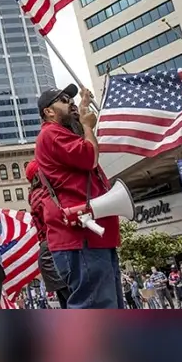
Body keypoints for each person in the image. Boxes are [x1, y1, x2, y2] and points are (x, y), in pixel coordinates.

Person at [34, 85, 122, 308]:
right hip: (81, 238)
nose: (70, 102)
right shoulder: (51, 134)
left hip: (89, 235)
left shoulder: (60, 133)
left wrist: (82, 109)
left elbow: (80, 139)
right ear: (49, 111)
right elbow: (89, 156)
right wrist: (86, 125)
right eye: (64, 100)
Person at [25, 161, 71, 308]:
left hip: (51, 251)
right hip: (52, 251)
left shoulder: (38, 194)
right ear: (39, 174)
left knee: (68, 301)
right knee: (72, 299)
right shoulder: (41, 195)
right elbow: (54, 217)